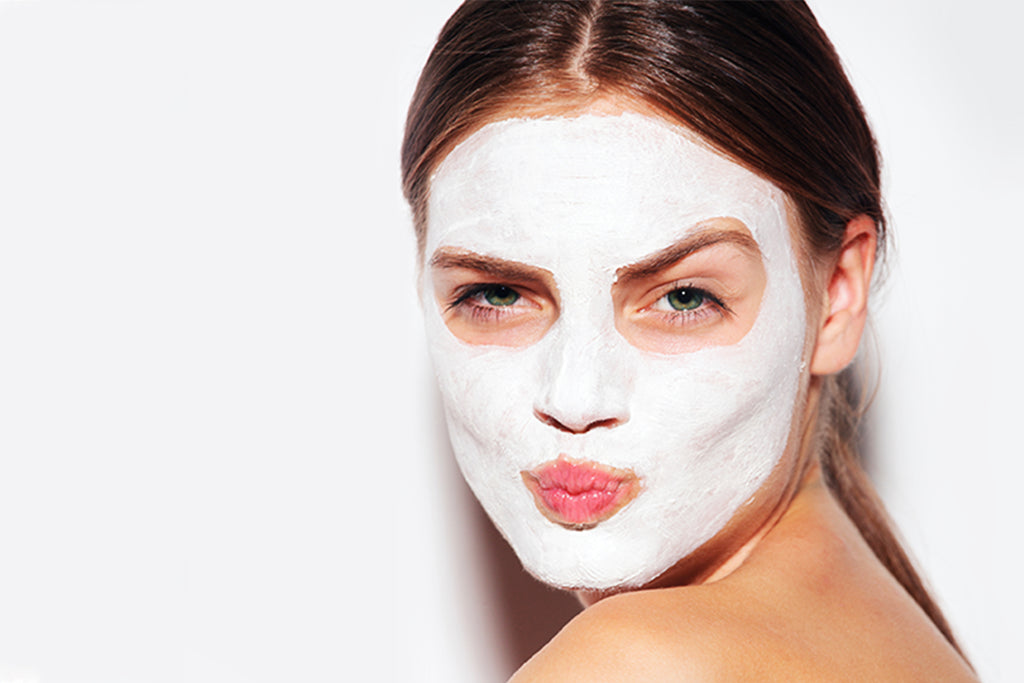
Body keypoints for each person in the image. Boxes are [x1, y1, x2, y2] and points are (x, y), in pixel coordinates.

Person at [402, 1, 978, 680]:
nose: (575, 396)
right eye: (496, 294)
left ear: (838, 296)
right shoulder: (888, 636)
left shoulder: (632, 664)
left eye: (683, 297)